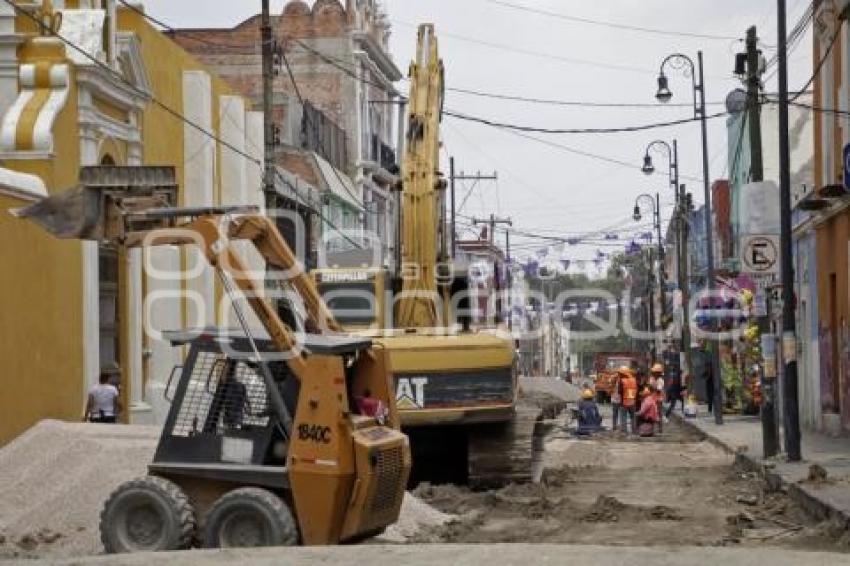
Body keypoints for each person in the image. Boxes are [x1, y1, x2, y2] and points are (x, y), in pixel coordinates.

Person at [619, 366, 638, 434]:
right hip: (632, 401)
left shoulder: (622, 381)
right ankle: (634, 430)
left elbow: (620, 391)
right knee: (633, 417)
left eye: (620, 373)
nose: (619, 375)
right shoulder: (634, 380)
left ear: (623, 374)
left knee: (623, 416)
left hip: (624, 401)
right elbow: (636, 390)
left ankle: (624, 430)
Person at [651, 363, 665, 433]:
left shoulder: (660, 380)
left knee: (659, 414)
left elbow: (658, 390)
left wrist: (652, 389)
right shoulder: (652, 379)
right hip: (652, 399)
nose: (655, 373)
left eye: (656, 372)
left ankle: (660, 428)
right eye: (654, 372)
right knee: (652, 413)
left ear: (659, 373)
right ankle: (652, 428)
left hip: (659, 399)